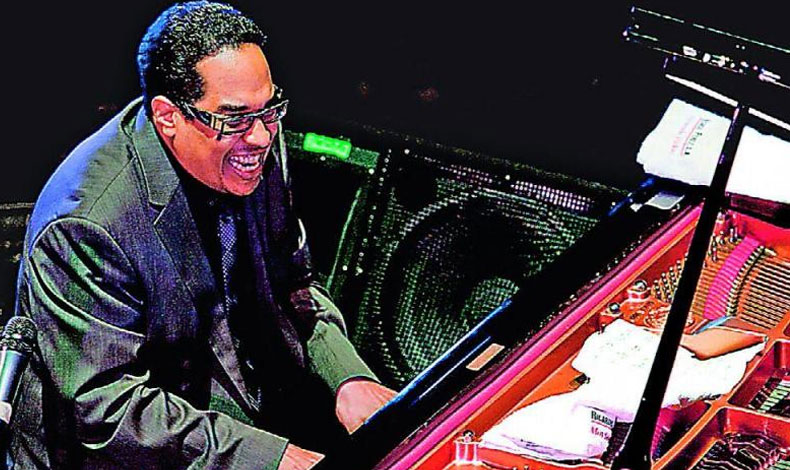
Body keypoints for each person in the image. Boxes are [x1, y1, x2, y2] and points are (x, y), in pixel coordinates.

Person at [10, 2, 396, 469]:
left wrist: (348, 378)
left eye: (270, 109)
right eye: (235, 119)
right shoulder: (88, 223)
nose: (261, 137)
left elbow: (292, 284)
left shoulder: (252, 144)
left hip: (222, 420)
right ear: (167, 116)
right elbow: (104, 407)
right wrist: (268, 458)